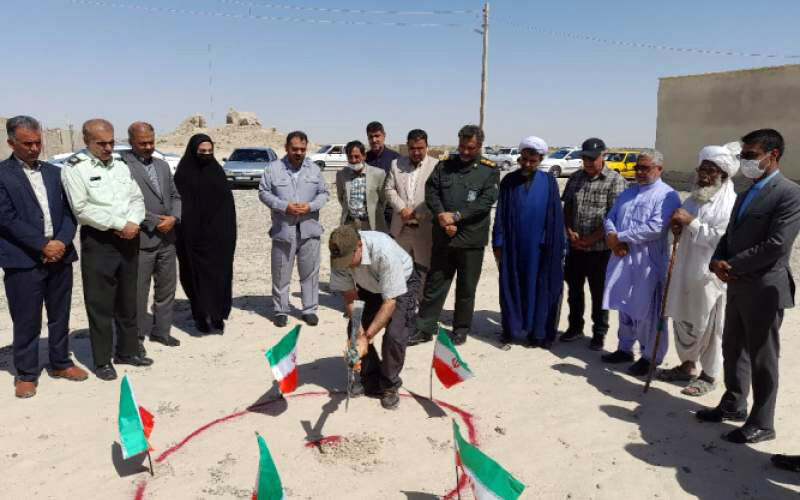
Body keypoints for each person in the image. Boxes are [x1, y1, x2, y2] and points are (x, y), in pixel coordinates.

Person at [699, 129, 800, 445]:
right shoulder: (747, 191)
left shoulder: (789, 193)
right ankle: (733, 403)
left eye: (751, 155)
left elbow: (777, 244)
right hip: (739, 285)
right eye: (743, 155)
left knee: (762, 357)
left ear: (773, 156)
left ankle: (763, 421)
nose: (744, 161)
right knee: (733, 349)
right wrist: (717, 259)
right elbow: (729, 236)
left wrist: (733, 264)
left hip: (764, 287)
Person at [0, 116, 87, 398]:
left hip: (60, 255)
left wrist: (61, 241)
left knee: (60, 314)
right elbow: (6, 219)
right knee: (27, 318)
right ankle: (26, 373)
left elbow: (68, 212)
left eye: (38, 142)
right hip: (23, 259)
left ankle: (60, 363)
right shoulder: (3, 175)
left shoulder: (54, 172)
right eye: (28, 143)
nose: (35, 148)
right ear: (11, 142)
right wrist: (41, 245)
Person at [61, 119, 150, 381]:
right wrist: (121, 224)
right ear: (86, 142)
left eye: (112, 142)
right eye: (102, 143)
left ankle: (128, 351)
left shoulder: (120, 165)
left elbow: (136, 197)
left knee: (127, 299)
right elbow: (82, 208)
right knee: (100, 304)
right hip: (100, 243)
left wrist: (133, 222)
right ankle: (102, 361)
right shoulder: (75, 169)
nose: (109, 147)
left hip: (129, 238)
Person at [659, 143, 739, 397]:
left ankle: (709, 375)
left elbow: (721, 240)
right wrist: (677, 228)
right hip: (684, 270)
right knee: (683, 320)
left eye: (710, 169)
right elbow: (685, 225)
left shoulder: (729, 204)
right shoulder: (694, 198)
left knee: (709, 327)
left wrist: (691, 223)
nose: (703, 173)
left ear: (722, 174)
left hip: (708, 276)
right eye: (701, 168)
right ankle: (686, 366)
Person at [412, 125, 499, 346]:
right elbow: (431, 191)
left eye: (470, 148)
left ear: (479, 146)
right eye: (462, 146)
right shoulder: (445, 166)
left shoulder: (489, 170)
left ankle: (461, 328)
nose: (465, 152)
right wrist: (442, 215)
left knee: (466, 288)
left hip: (471, 240)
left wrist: (456, 217)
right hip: (444, 237)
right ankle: (424, 326)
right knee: (435, 284)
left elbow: (485, 202)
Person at [601, 151, 681, 376]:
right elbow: (610, 217)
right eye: (638, 168)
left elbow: (656, 228)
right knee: (625, 306)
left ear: (659, 169)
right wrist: (612, 237)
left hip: (648, 262)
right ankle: (625, 349)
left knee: (648, 312)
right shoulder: (628, 193)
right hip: (622, 257)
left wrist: (621, 236)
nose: (639, 172)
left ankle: (650, 356)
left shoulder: (667, 195)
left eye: (645, 168)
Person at [328, 224, 420, 410]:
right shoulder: (339, 257)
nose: (345, 264)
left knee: (395, 335)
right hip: (369, 287)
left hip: (401, 285)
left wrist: (367, 337)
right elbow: (349, 295)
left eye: (348, 259)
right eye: (341, 261)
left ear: (359, 245)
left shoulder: (383, 250)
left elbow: (390, 302)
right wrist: (359, 333)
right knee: (353, 331)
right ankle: (370, 376)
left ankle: (389, 384)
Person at [492, 136, 566, 348]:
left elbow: (554, 215)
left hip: (540, 248)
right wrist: (498, 242)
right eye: (523, 160)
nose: (526, 164)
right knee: (511, 286)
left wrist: (555, 244)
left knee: (539, 288)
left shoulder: (549, 181)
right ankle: (512, 330)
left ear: (540, 159)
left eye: (532, 161)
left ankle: (537, 333)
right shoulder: (508, 181)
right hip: (513, 246)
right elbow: (500, 215)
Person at [560, 138, 627, 350]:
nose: (587, 162)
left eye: (592, 158)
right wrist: (569, 230)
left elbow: (613, 217)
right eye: (584, 158)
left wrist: (592, 239)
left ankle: (599, 333)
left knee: (599, 293)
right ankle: (575, 327)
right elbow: (568, 206)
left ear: (603, 156)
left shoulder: (615, 181)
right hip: (575, 248)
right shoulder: (575, 178)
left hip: (600, 250)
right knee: (574, 290)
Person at [121, 122, 182, 351]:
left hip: (167, 239)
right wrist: (155, 221)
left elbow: (175, 196)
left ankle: (161, 331)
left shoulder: (162, 166)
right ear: (131, 142)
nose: (148, 147)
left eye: (151, 142)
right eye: (142, 143)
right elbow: (124, 203)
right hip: (142, 239)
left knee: (166, 289)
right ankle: (135, 339)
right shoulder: (122, 166)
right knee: (138, 293)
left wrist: (174, 218)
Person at [259, 131, 328, 328]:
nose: (299, 152)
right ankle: (281, 310)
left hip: (309, 230)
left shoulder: (314, 170)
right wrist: (283, 206)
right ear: (286, 148)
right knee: (281, 272)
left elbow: (324, 193)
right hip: (284, 230)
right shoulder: (273, 169)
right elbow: (263, 192)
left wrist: (311, 206)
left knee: (310, 273)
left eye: (302, 149)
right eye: (295, 148)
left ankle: (310, 309)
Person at [174, 134, 237, 334]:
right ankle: (200, 316)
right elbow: (179, 205)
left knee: (219, 276)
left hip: (217, 238)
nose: (207, 155)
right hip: (192, 238)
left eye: (210, 152)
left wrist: (227, 234)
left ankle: (217, 315)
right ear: (193, 151)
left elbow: (227, 206)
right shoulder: (183, 174)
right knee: (194, 277)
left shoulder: (217, 171)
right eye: (202, 152)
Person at [384, 129, 437, 291]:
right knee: (400, 269)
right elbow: (388, 190)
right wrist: (402, 209)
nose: (416, 152)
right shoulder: (396, 164)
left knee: (424, 270)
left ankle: (421, 308)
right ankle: (402, 308)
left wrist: (418, 213)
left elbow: (437, 195)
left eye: (420, 148)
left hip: (424, 229)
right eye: (412, 148)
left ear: (427, 146)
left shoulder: (436, 166)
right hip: (402, 229)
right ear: (407, 147)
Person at [335, 140, 387, 232]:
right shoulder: (341, 175)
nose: (353, 160)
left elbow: (383, 199)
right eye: (350, 157)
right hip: (350, 223)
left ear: (364, 156)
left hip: (371, 224)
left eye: (357, 156)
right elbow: (341, 198)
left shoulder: (378, 173)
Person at [365, 121, 401, 227]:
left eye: (377, 136)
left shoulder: (396, 159)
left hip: (391, 215)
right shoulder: (364, 159)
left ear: (384, 136)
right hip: (369, 215)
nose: (374, 140)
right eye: (370, 137)